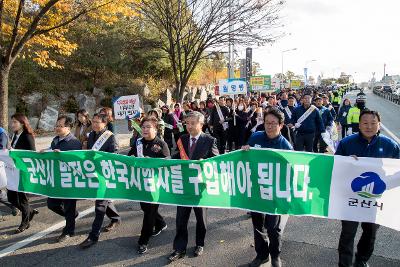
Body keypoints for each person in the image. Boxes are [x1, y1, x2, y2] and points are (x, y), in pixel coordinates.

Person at [336, 110, 400, 267]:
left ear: (379, 125)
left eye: (373, 123)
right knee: (348, 233)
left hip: (376, 199)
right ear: (359, 125)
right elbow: (335, 167)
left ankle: (361, 259)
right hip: (350, 197)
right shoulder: (346, 143)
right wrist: (346, 162)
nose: (369, 126)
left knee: (370, 233)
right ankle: (344, 264)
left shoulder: (390, 145)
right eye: (365, 123)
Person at [242, 109, 292, 267]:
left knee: (272, 227)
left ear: (281, 125)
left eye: (273, 124)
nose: (269, 126)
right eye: (267, 123)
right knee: (258, 225)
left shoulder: (285, 146)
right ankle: (261, 255)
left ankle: (275, 255)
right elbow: (245, 158)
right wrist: (245, 151)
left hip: (275, 193)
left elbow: (291, 171)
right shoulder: (256, 136)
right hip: (256, 190)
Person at [168, 111, 219, 262]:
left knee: (201, 219)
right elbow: (176, 156)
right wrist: (159, 161)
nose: (188, 126)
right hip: (184, 186)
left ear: (201, 124)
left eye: (192, 123)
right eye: (187, 123)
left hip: (200, 187)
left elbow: (217, 161)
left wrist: (206, 163)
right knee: (180, 219)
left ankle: (199, 244)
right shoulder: (182, 138)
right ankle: (179, 248)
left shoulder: (210, 140)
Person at [128, 116, 170, 254]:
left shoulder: (161, 144)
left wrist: (151, 161)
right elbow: (129, 157)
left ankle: (143, 241)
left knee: (149, 212)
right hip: (141, 183)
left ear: (155, 129)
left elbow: (167, 163)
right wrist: (132, 158)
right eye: (143, 127)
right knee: (145, 208)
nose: (145, 129)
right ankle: (161, 223)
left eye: (148, 127)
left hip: (155, 185)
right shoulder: (138, 142)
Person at [79, 113, 121, 249]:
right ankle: (115, 218)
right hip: (94, 174)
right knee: (104, 200)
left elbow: (114, 156)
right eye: (94, 122)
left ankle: (93, 236)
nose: (95, 124)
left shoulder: (110, 137)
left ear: (105, 123)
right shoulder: (91, 135)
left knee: (100, 205)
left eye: (98, 122)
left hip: (105, 176)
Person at [46, 115, 82, 241]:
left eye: (60, 126)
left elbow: (77, 162)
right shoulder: (55, 140)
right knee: (51, 204)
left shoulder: (75, 142)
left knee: (69, 206)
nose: (57, 128)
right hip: (57, 179)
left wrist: (62, 156)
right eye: (56, 125)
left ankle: (68, 231)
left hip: (69, 180)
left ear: (68, 128)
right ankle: (71, 216)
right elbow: (51, 151)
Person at [7, 114, 39, 233]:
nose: (12, 124)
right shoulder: (15, 135)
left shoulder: (27, 136)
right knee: (11, 197)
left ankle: (25, 223)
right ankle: (29, 211)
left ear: (22, 123)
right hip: (14, 171)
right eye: (12, 122)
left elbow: (32, 155)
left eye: (15, 122)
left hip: (24, 172)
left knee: (23, 199)